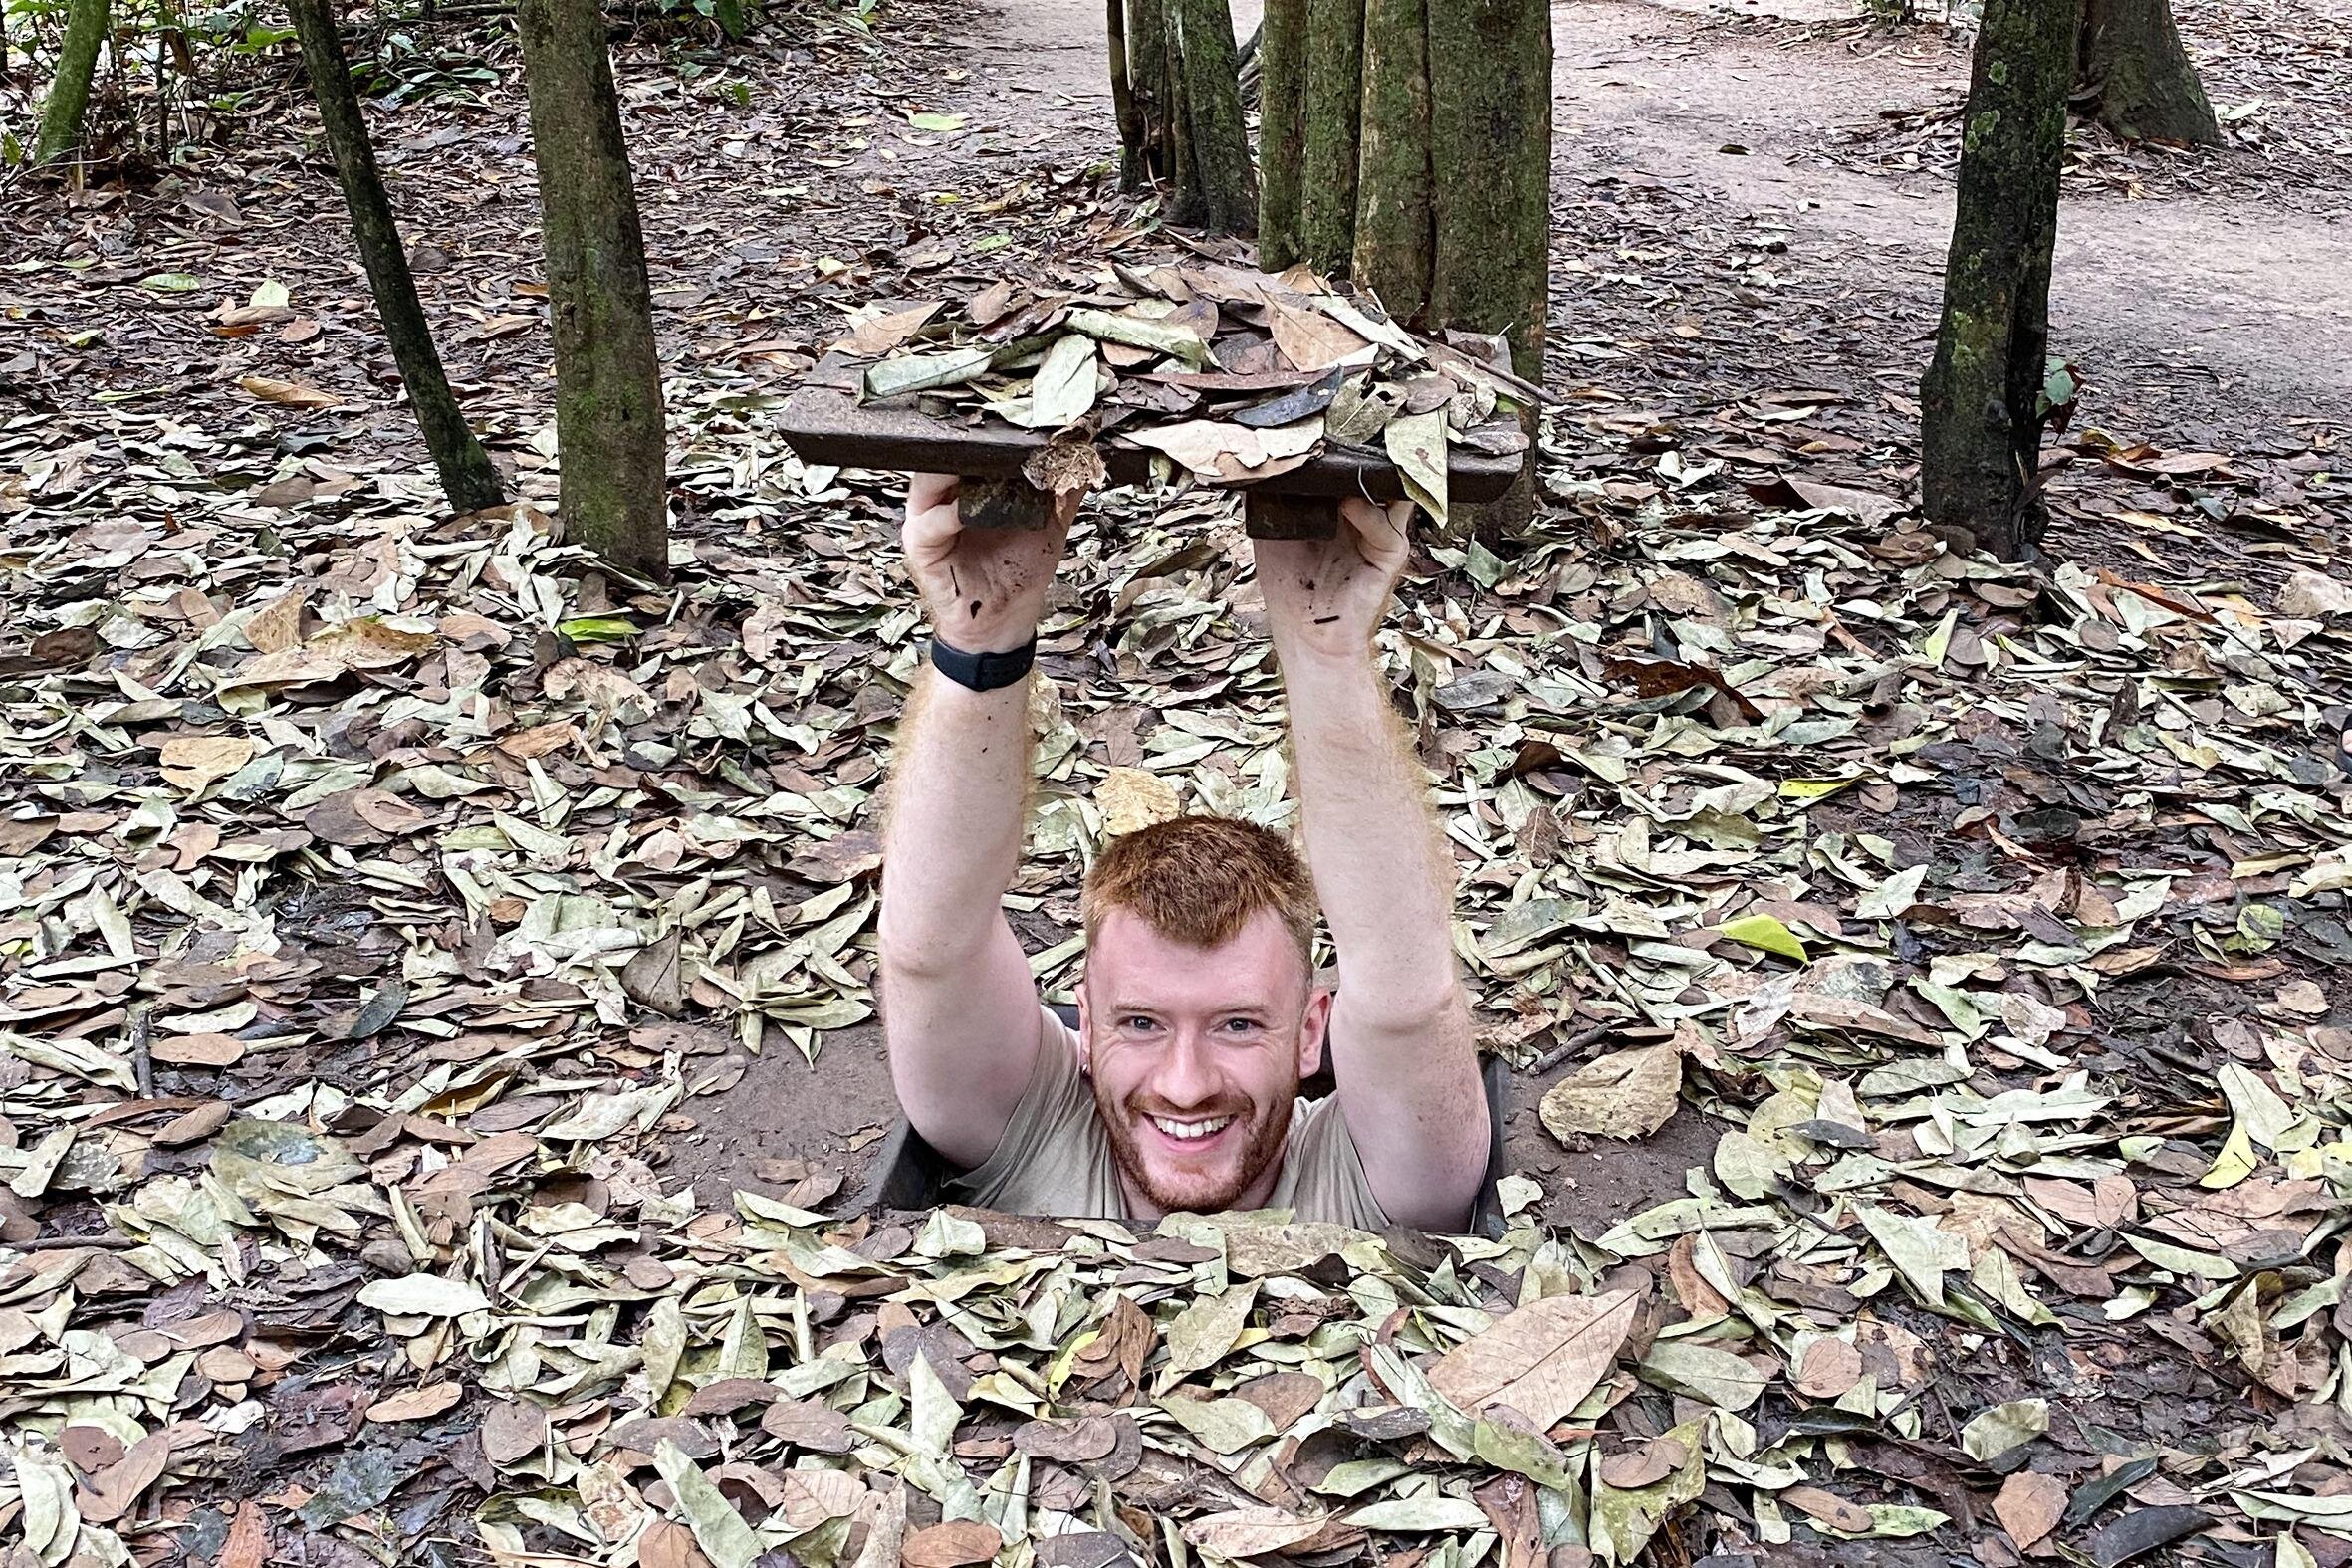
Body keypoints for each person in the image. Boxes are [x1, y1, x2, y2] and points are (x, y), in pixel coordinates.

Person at [875, 474, 1487, 1232]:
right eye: (1140, 1023)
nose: (1186, 1084)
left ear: (1310, 1032)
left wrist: (1327, 648)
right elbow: (932, 948)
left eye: (1238, 1024)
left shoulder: (1368, 1177)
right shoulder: (1040, 1131)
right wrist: (980, 635)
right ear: (1086, 1022)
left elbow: (1410, 998)